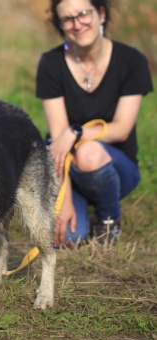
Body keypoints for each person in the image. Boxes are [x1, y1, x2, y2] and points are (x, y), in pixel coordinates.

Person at [35, 0, 153, 248]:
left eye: (84, 14)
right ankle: (77, 204)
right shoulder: (51, 63)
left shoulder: (132, 61)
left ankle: (109, 218)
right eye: (67, 19)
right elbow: (58, 144)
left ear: (100, 14)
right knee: (68, 238)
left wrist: (77, 133)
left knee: (88, 152)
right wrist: (64, 198)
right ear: (60, 25)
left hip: (117, 167)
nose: (77, 24)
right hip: (66, 166)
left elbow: (121, 128)